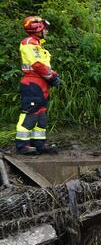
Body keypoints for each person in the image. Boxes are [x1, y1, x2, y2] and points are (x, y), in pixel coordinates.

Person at [16, 16, 60, 155]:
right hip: (32, 82)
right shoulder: (29, 43)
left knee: (41, 114)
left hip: (40, 83)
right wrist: (52, 77)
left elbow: (43, 65)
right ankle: (22, 145)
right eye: (44, 28)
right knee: (30, 112)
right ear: (37, 29)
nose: (46, 31)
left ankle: (39, 143)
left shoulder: (36, 44)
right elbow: (37, 64)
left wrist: (53, 75)